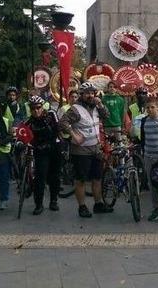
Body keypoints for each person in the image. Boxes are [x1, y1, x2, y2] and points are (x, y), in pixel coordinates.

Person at [58, 82, 112, 218]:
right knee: (81, 179)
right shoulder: (76, 109)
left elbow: (107, 116)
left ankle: (98, 204)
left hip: (95, 148)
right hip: (81, 150)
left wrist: (100, 104)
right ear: (81, 95)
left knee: (97, 178)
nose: (90, 95)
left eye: (92, 93)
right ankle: (82, 206)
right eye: (87, 93)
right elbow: (63, 122)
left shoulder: (95, 107)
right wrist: (73, 134)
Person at [26, 95, 61, 215]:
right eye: (33, 108)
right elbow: (22, 133)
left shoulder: (51, 114)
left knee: (54, 176)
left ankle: (53, 200)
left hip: (54, 148)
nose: (36, 110)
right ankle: (39, 204)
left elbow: (57, 129)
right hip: (40, 151)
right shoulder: (29, 121)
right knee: (40, 178)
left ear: (42, 107)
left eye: (38, 107)